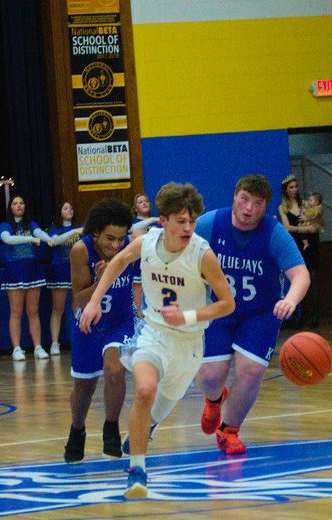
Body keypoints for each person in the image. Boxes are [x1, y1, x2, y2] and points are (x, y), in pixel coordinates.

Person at [78, 182, 234, 499]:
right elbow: (118, 262)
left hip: (189, 344)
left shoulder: (202, 254)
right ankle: (137, 471)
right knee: (146, 390)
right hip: (153, 333)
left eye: (192, 220)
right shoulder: (146, 243)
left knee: (159, 409)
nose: (188, 227)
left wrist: (187, 317)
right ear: (162, 220)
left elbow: (227, 303)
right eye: (181, 220)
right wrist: (94, 300)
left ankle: (147, 428)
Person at [193, 174, 310, 454]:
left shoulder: (274, 232)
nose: (249, 208)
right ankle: (213, 399)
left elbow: (301, 274)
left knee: (251, 370)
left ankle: (229, 430)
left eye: (257, 203)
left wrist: (290, 300)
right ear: (234, 196)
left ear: (266, 206)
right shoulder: (210, 223)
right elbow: (177, 249)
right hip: (218, 310)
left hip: (259, 313)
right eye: (245, 199)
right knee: (210, 377)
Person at [63, 199, 135, 464]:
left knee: (116, 371)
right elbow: (79, 300)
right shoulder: (81, 251)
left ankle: (111, 428)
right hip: (88, 324)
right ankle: (77, 430)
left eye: (121, 238)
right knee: (84, 388)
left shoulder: (132, 247)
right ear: (95, 232)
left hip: (121, 321)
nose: (115, 245)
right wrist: (102, 281)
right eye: (109, 238)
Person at [0, 195, 52, 361]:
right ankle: (16, 348)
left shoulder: (31, 224)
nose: (19, 206)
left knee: (33, 311)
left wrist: (50, 239)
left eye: (21, 203)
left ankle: (38, 347)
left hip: (32, 269)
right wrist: (30, 239)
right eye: (15, 203)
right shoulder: (5, 225)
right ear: (10, 207)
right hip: (15, 270)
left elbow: (39, 233)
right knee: (16, 311)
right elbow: (8, 239)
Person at [278, 176, 320, 328]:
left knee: (313, 278)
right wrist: (303, 229)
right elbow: (287, 227)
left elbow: (316, 222)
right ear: (285, 190)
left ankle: (314, 314)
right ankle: (296, 315)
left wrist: (311, 227)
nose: (294, 190)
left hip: (311, 244)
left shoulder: (305, 204)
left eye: (296, 186)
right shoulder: (282, 207)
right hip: (294, 245)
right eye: (291, 187)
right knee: (294, 280)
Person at [46, 202, 83, 355]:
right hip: (60, 268)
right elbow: (57, 240)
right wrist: (75, 232)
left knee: (78, 306)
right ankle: (55, 343)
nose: (69, 210)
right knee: (58, 308)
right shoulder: (55, 229)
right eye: (66, 208)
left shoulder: (80, 228)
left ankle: (81, 339)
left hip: (76, 269)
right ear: (60, 212)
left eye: (71, 208)